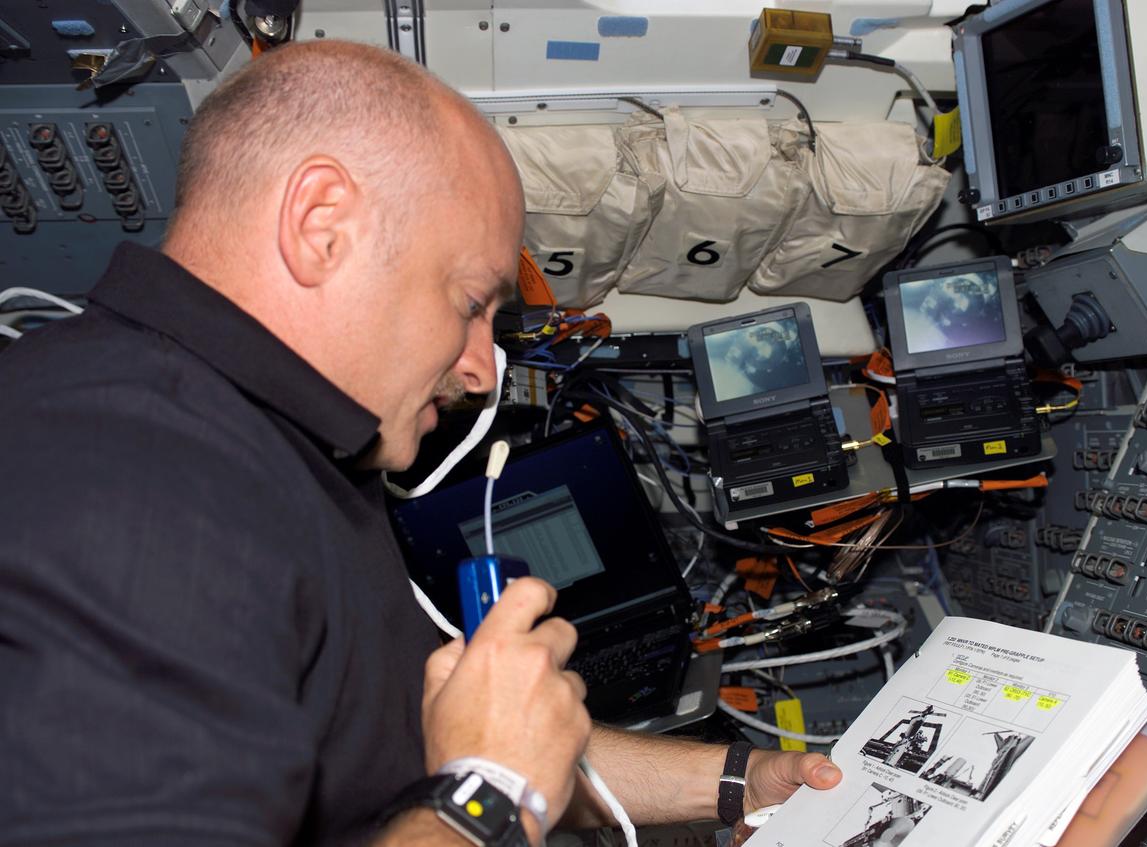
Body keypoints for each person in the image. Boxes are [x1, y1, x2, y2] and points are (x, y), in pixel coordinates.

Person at [0, 40, 841, 846]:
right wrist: (491, 796)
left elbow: (426, 740)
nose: (482, 372)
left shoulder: (278, 447)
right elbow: (488, 777)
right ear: (322, 225)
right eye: (472, 302)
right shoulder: (130, 476)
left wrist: (736, 779)